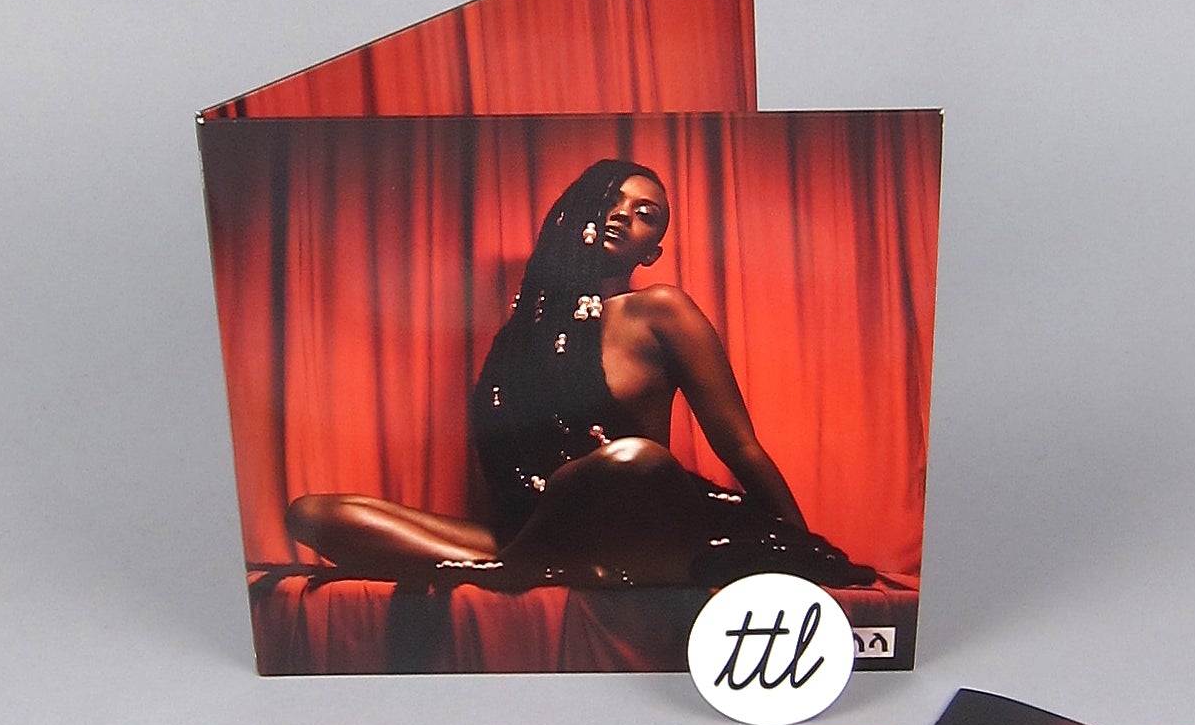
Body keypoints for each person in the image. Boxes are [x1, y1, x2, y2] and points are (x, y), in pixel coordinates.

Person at [283, 160, 874, 590]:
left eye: (646, 215)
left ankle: (515, 569)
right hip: (535, 531)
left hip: (640, 527)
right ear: (575, 213)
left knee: (635, 459)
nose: (622, 215)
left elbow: (740, 446)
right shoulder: (519, 337)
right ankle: (524, 567)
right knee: (311, 513)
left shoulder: (660, 310)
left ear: (651, 252)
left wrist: (804, 545)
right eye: (611, 199)